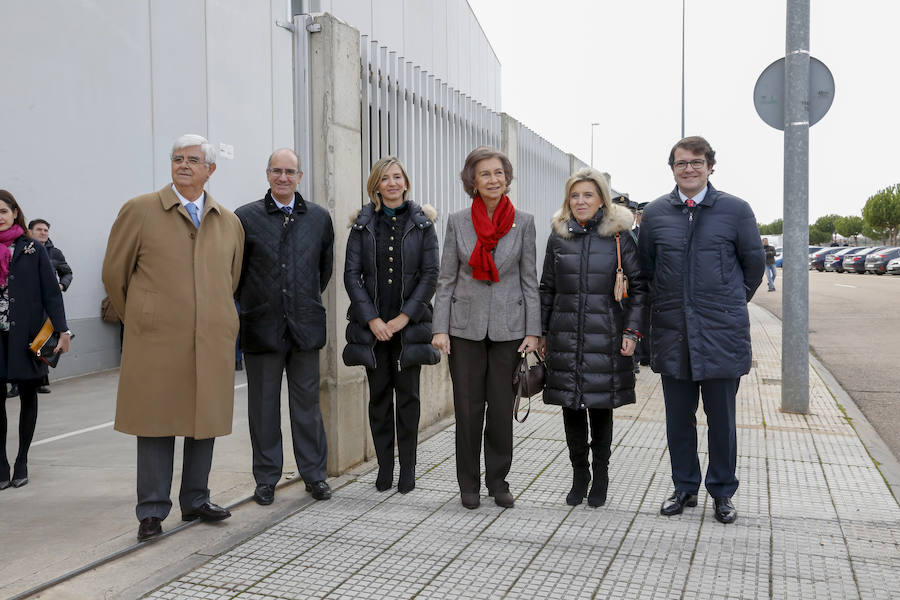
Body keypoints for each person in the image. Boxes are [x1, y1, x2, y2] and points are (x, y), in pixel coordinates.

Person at [102, 134, 244, 541]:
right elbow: (115, 273)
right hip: (157, 339)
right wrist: (142, 317)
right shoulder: (140, 210)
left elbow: (230, 279)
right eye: (177, 158)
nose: (184, 165)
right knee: (155, 422)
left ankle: (196, 499)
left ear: (210, 170)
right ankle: (151, 510)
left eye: (194, 160)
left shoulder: (228, 221)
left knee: (205, 420)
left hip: (211, 338)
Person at [638, 136, 764, 524]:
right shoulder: (656, 214)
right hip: (673, 332)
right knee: (679, 418)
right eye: (681, 163)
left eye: (696, 162)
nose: (688, 169)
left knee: (721, 420)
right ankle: (685, 487)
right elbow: (645, 273)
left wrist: (727, 302)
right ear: (672, 169)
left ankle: (722, 492)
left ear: (711, 166)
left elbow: (754, 266)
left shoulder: (736, 210)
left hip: (720, 335)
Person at [432, 146, 540, 510]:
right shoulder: (458, 221)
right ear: (473, 182)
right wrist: (440, 327)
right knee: (467, 409)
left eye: (498, 173)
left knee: (499, 411)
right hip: (464, 330)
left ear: (506, 179)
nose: (493, 179)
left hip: (509, 330)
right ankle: (469, 485)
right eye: (485, 174)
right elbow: (446, 279)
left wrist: (533, 331)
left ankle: (498, 481)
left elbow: (529, 281)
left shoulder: (523, 222)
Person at [538, 168, 646, 507]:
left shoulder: (619, 237)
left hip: (607, 337)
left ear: (601, 198)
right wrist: (541, 332)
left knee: (600, 408)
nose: (580, 201)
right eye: (575, 195)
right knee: (571, 407)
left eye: (587, 195)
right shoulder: (559, 236)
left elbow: (640, 288)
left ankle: (600, 476)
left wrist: (632, 331)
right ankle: (578, 475)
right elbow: (547, 288)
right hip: (566, 337)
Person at [235, 148, 334, 507]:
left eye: (290, 171)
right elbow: (237, 274)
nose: (283, 177)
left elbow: (323, 269)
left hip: (304, 326)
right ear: (267, 175)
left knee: (306, 405)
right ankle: (266, 479)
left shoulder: (319, 219)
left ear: (300, 177)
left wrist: (299, 301)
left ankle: (314, 475)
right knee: (262, 408)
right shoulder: (245, 218)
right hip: (261, 326)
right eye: (276, 171)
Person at [343, 156, 440, 494]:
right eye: (385, 179)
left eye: (398, 177)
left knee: (408, 399)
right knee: (379, 398)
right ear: (376, 186)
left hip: (408, 328)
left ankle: (408, 470)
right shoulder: (361, 225)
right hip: (373, 331)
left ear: (406, 182)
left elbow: (430, 276)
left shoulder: (423, 225)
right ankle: (385, 467)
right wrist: (372, 320)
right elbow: (351, 276)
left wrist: (402, 319)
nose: (393, 183)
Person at [0, 191, 71, 490]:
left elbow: (51, 293)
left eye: (3, 210)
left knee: (29, 395)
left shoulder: (32, 247)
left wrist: (63, 330)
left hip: (28, 336)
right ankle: (1, 463)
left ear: (15, 213)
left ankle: (22, 460)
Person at [18, 219, 73, 396]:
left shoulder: (55, 253)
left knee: (44, 341)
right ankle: (16, 385)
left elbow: (67, 272)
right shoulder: (23, 250)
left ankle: (40, 381)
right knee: (23, 344)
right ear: (30, 231)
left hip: (47, 306)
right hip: (25, 305)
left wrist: (62, 286)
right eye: (39, 229)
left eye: (46, 230)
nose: (43, 232)